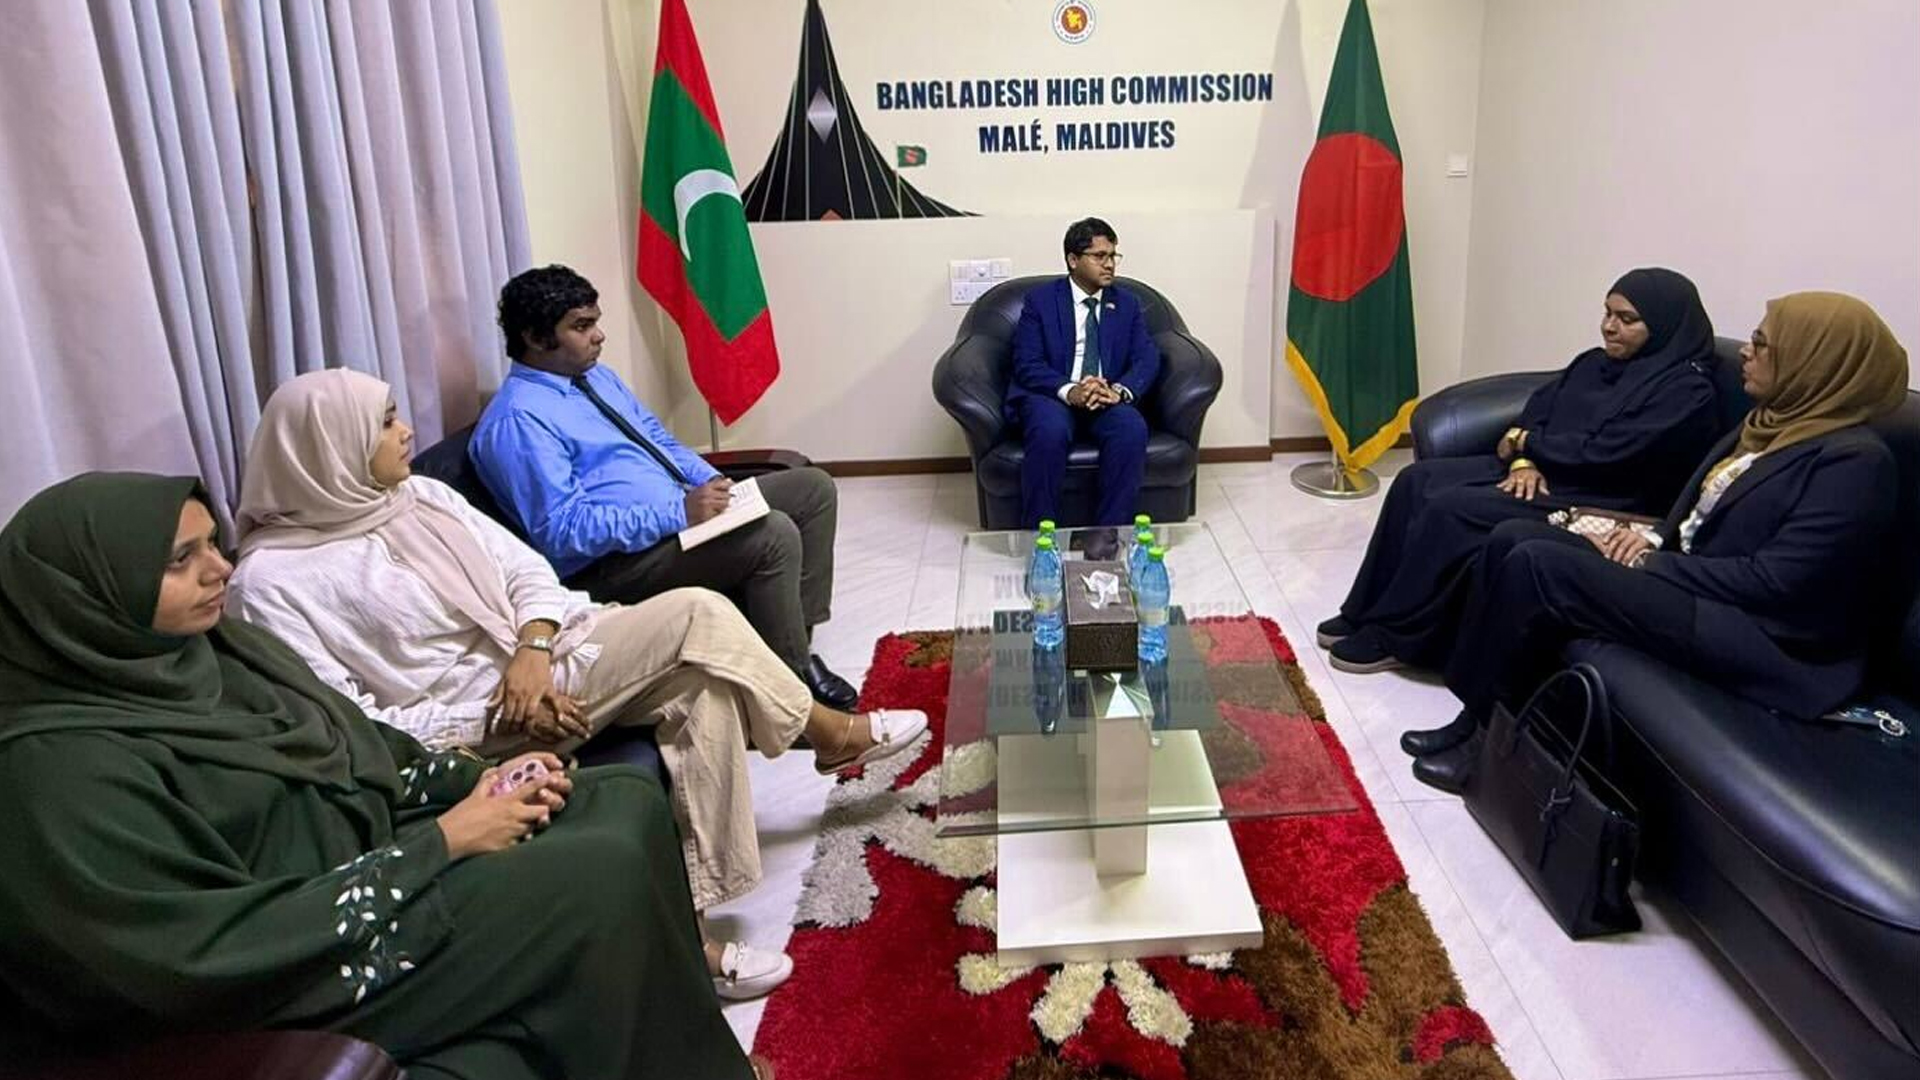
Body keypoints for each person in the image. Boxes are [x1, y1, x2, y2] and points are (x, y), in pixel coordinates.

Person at [0, 473, 773, 1080]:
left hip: (362, 858)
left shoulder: (212, 653)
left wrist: (475, 784)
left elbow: (358, 746)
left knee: (623, 799)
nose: (219, 568)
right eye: (182, 560)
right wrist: (444, 843)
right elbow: (189, 954)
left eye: (212, 544)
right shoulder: (56, 771)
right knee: (591, 875)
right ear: (87, 596)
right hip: (286, 968)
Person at [227, 369, 928, 1000]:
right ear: (329, 449)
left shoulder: (419, 497)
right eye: (384, 423)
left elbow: (526, 571)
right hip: (475, 726)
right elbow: (355, 725)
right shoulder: (270, 584)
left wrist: (532, 649)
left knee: (701, 690)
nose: (406, 431)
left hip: (548, 654)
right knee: (697, 612)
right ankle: (828, 733)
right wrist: (499, 715)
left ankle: (690, 934)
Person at [1406, 291, 1908, 793]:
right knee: (1512, 537)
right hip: (1698, 583)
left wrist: (1652, 562)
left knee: (1539, 566)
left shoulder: (1853, 463)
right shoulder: (1772, 424)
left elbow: (1776, 582)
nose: (1746, 352)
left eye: (1762, 344)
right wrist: (1649, 536)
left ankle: (1482, 753)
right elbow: (1695, 509)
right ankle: (1472, 717)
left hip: (1758, 633)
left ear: (1813, 363)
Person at [469, 265, 859, 712]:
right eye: (581, 326)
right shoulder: (518, 421)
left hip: (680, 516)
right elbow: (562, 531)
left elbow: (656, 438)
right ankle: (789, 691)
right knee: (774, 534)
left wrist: (708, 481)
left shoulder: (595, 378)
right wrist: (678, 513)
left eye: (596, 322)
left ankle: (792, 642)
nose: (598, 336)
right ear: (535, 338)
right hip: (615, 565)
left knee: (812, 489)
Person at [1319, 268, 1724, 676]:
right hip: (1544, 470)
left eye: (1626, 319)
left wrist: (1527, 445)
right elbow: (1538, 410)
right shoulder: (1594, 364)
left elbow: (1607, 454)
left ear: (1665, 326)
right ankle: (1365, 610)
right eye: (1607, 313)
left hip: (1599, 496)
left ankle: (1398, 637)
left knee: (1453, 509)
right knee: (1414, 481)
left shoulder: (1687, 393)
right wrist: (1522, 460)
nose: (1609, 327)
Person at [1007, 217, 1163, 529]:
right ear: (1073, 260)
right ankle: (1041, 537)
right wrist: (1071, 390)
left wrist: (1118, 391)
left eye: (1113, 256)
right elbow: (1027, 362)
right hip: (1053, 395)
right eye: (1100, 256)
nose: (1110, 264)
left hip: (1106, 396)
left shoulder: (1127, 303)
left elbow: (1147, 357)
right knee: (1048, 430)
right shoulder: (1041, 301)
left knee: (1131, 428)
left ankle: (1108, 536)